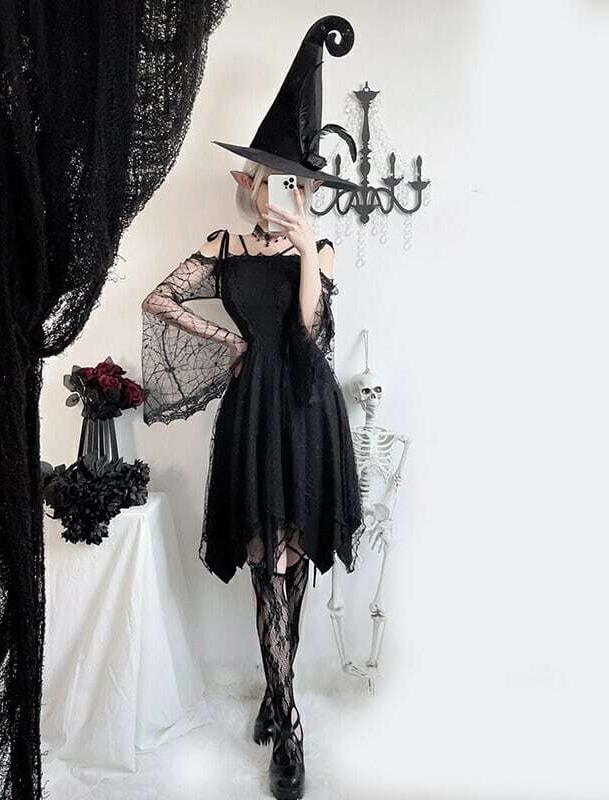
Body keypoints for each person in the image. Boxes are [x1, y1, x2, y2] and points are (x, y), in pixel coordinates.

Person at [141, 17, 363, 800]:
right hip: (253, 416)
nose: (282, 196)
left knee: (293, 562)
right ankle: (287, 717)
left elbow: (309, 334)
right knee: (267, 562)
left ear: (308, 191)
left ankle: (280, 699)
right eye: (271, 182)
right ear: (251, 185)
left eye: (296, 184)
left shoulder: (318, 252)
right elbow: (158, 299)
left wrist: (304, 248)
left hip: (306, 413)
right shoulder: (224, 248)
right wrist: (228, 340)